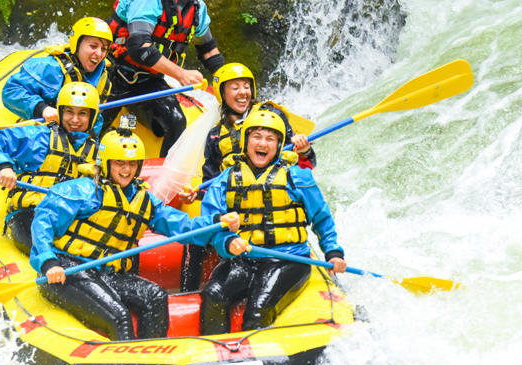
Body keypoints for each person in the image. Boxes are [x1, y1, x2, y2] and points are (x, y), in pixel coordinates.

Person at [29, 118, 240, 341]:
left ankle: (155, 360)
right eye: (119, 163)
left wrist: (216, 221)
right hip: (69, 269)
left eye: (132, 164)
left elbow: (183, 226)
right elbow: (43, 222)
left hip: (108, 274)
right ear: (106, 163)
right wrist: (48, 262)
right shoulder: (82, 190)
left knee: (155, 295)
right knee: (119, 316)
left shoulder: (144, 201)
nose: (126, 170)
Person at [198, 110, 347, 335]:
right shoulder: (225, 178)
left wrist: (333, 253)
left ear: (279, 145)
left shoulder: (296, 177)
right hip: (243, 258)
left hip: (287, 259)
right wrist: (226, 241)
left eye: (270, 139)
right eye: (256, 137)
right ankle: (213, 356)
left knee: (257, 310)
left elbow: (321, 218)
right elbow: (209, 222)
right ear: (245, 141)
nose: (263, 144)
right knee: (213, 296)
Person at [176, 62, 317, 292]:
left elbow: (306, 166)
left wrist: (303, 150)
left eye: (246, 86)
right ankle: (187, 293)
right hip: (235, 207)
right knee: (195, 239)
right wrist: (196, 194)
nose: (243, 92)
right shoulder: (215, 137)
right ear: (221, 93)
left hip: (271, 202)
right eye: (235, 87)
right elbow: (211, 183)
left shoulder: (273, 117)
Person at [0, 82, 102, 254]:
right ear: (61, 112)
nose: (75, 120)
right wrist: (3, 166)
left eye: (82, 114)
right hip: (30, 215)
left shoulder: (98, 152)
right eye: (69, 111)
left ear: (92, 117)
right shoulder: (40, 138)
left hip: (67, 218)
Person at [102, 0, 226, 157]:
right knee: (95, 122)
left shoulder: (197, 8)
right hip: (113, 72)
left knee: (176, 122)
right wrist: (181, 74)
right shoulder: (148, 2)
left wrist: (226, 84)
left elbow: (208, 50)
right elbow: (139, 47)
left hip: (149, 80)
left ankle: (163, 176)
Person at [1, 17, 112, 136]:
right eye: (93, 46)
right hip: (40, 135)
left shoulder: (103, 79)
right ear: (77, 45)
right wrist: (41, 108)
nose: (99, 54)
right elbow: (11, 91)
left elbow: (96, 119)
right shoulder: (50, 68)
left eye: (104, 49)